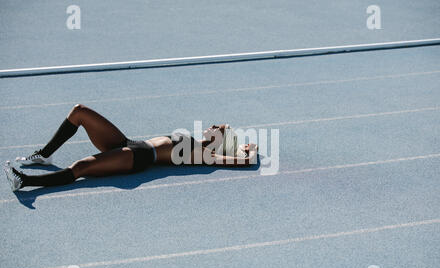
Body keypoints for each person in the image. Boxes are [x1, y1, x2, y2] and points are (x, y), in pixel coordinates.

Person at [4, 104, 258, 191]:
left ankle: (25, 182)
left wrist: (250, 153)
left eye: (220, 127)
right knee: (79, 112)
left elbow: (244, 162)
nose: (213, 125)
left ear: (220, 140)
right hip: (130, 143)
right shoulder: (197, 142)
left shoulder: (205, 155)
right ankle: (44, 155)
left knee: (81, 168)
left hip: (137, 158)